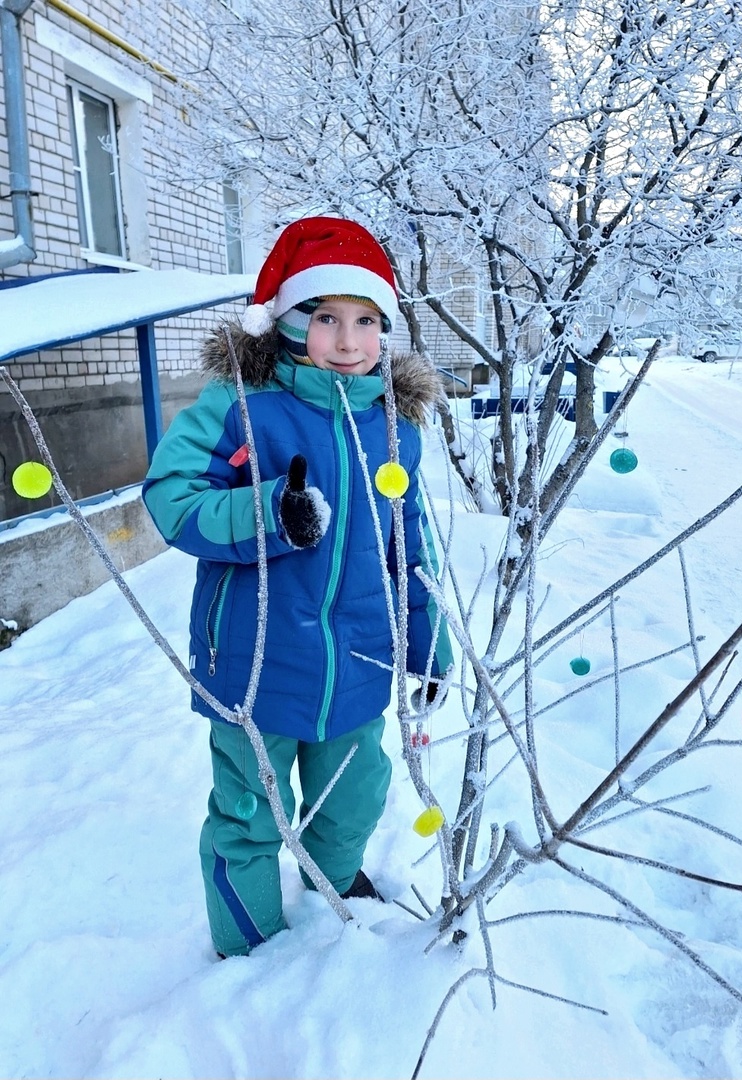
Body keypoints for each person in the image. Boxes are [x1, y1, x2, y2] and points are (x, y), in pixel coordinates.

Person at [143, 216, 453, 958]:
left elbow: (408, 540)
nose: (348, 340)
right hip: (256, 663)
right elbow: (171, 498)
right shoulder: (240, 407)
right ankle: (251, 948)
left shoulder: (393, 427)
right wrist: (268, 512)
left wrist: (429, 642)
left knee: (356, 792)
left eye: (367, 321)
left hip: (359, 661)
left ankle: (332, 879)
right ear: (287, 322)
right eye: (326, 318)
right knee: (248, 811)